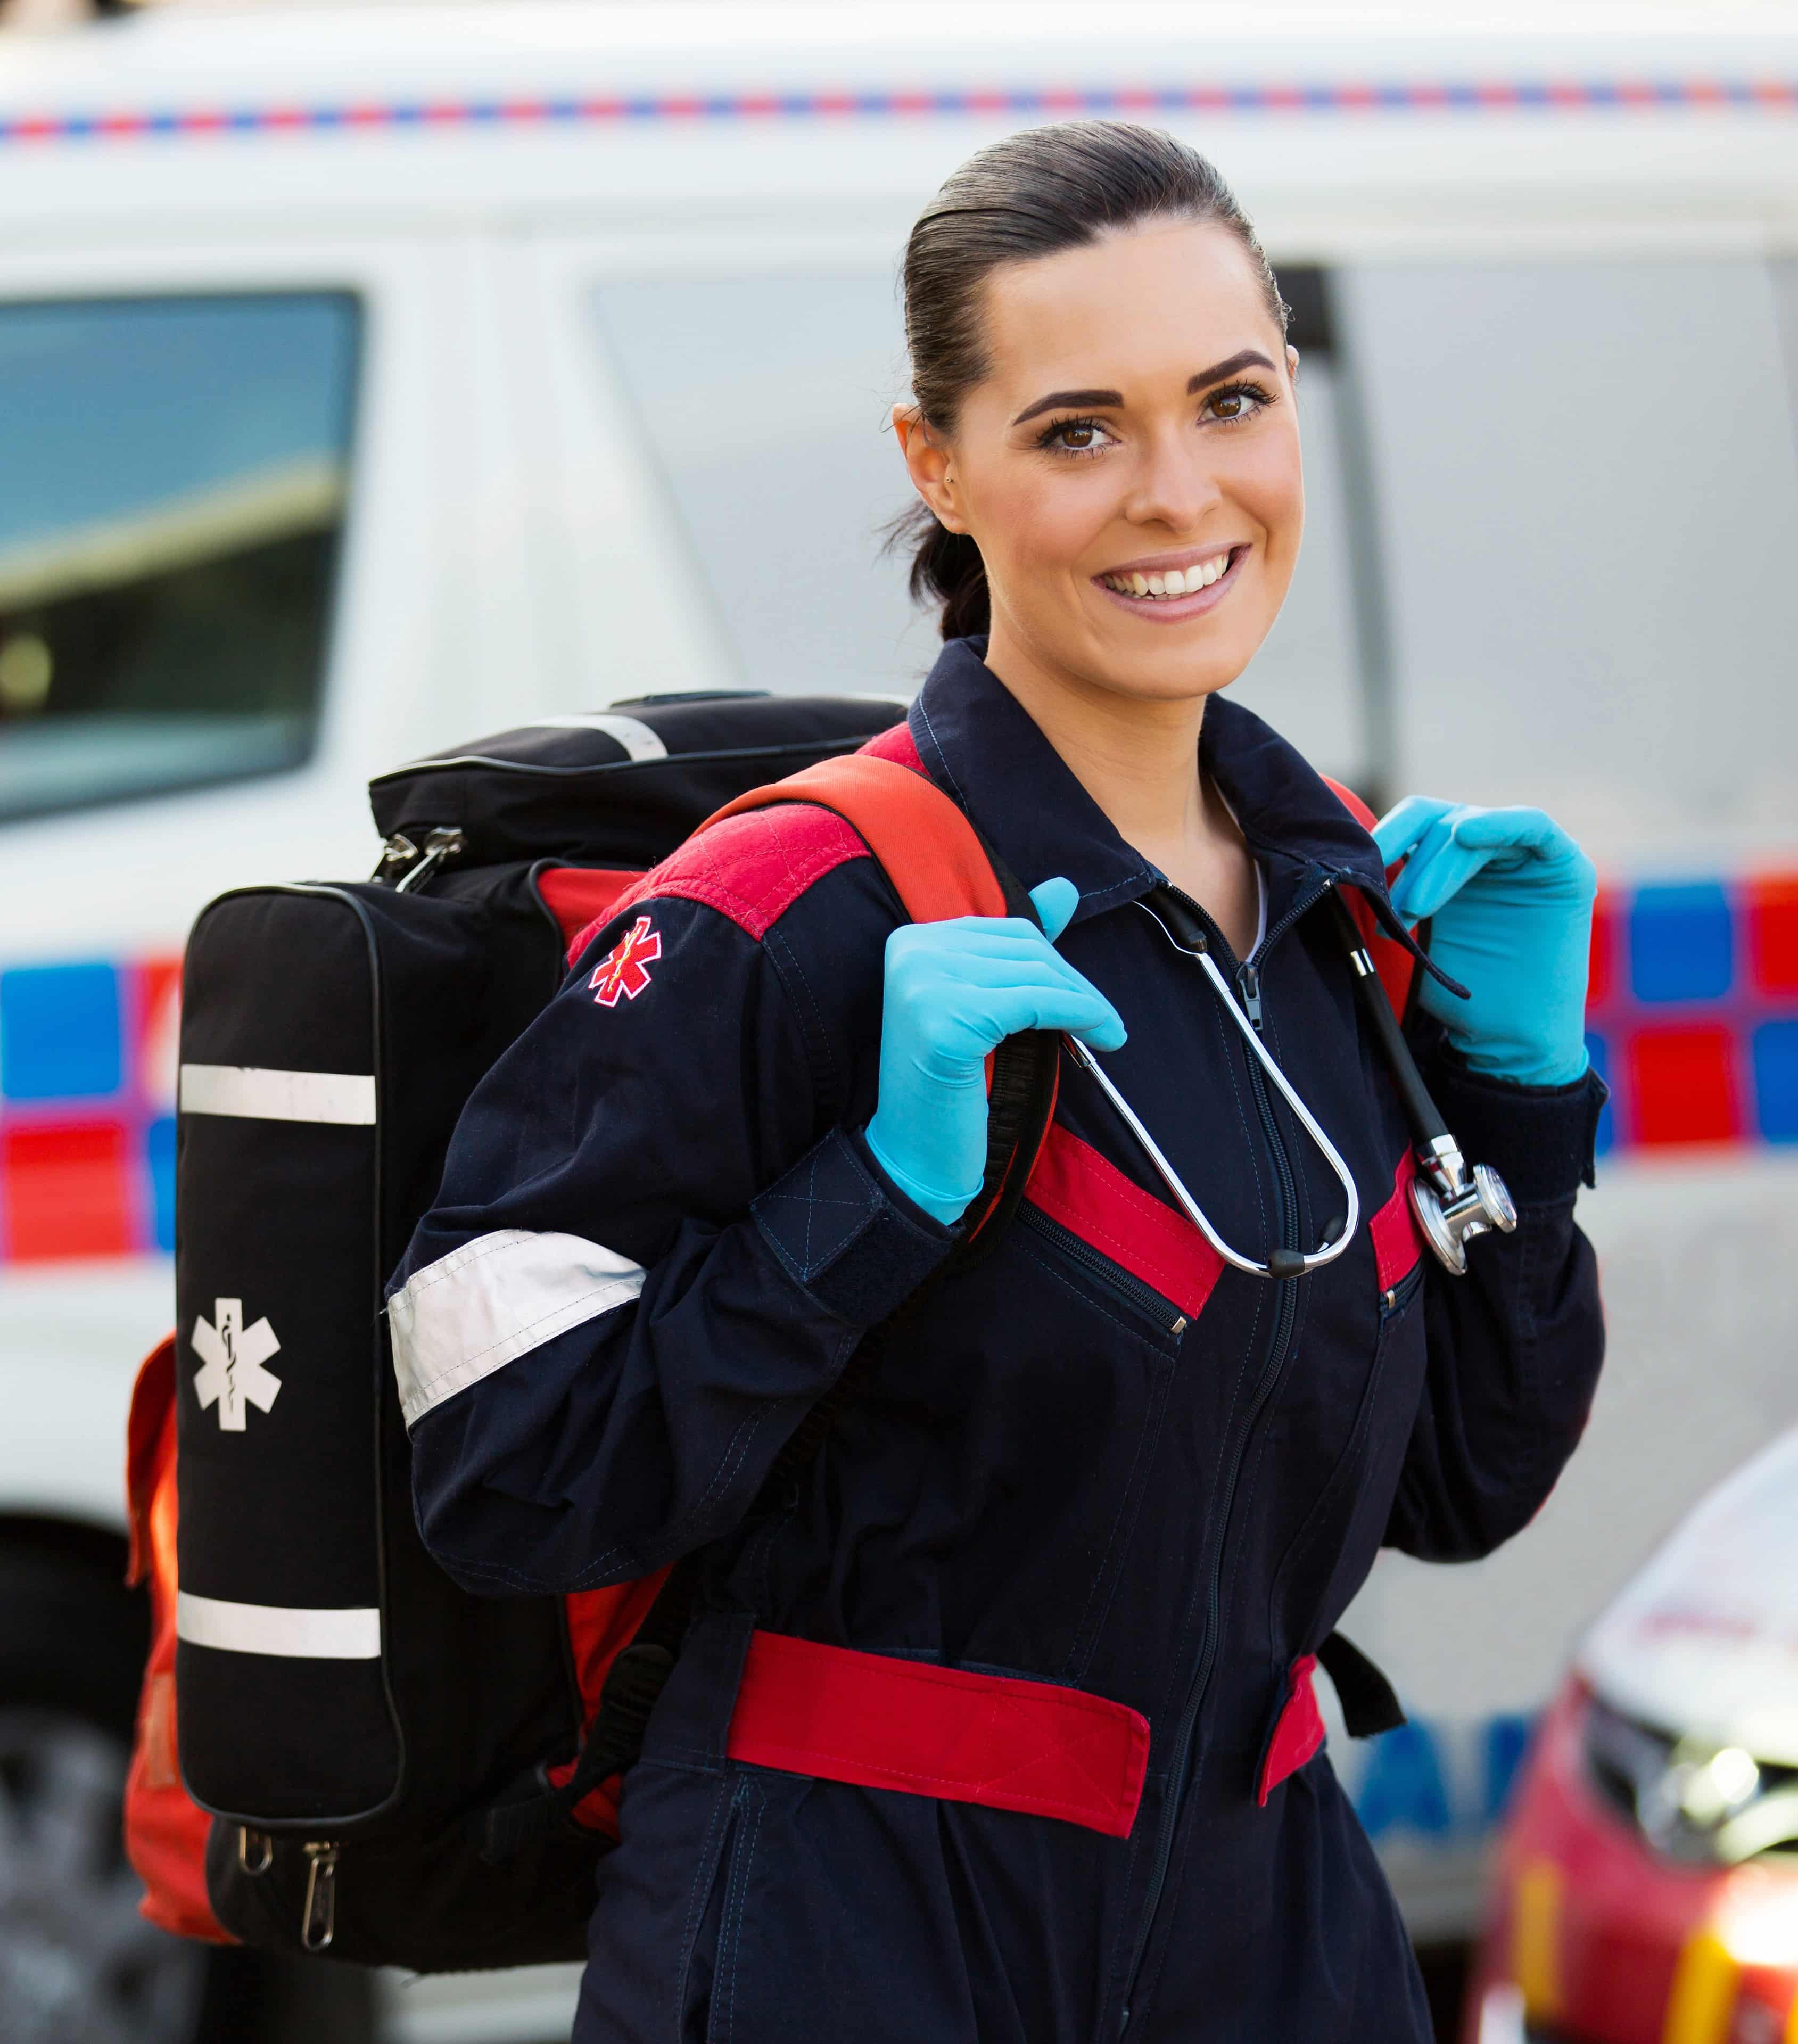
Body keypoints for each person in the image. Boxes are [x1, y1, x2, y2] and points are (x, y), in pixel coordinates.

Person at [385, 121, 1607, 2042]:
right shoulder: (789, 909)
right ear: (934, 466)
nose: (1179, 493)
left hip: (1267, 1926)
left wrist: (1522, 1102)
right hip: (854, 1929)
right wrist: (864, 1203)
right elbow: (504, 1473)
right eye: (1077, 430)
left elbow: (1462, 1487)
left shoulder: (1334, 909)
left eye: (1232, 400)